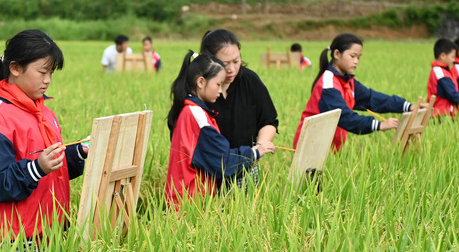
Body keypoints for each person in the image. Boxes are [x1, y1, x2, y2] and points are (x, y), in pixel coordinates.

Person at [0, 29, 89, 248]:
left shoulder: (44, 113)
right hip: (16, 241)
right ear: (15, 68)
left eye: (51, 73)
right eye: (42, 72)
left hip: (51, 231)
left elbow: (52, 169)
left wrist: (79, 153)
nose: (48, 80)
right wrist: (37, 168)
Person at [165, 51, 275, 209]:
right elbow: (223, 162)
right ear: (201, 82)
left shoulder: (192, 111)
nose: (220, 90)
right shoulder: (196, 116)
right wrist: (256, 152)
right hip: (187, 207)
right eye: (218, 84)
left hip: (189, 202)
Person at [294, 33, 412, 153]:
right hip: (310, 145)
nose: (356, 61)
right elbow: (343, 116)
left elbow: (372, 98)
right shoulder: (328, 84)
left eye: (359, 57)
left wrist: (408, 106)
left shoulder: (348, 82)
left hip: (330, 147)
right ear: (336, 54)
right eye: (352, 56)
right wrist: (378, 125)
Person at [198, 29, 278, 187]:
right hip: (208, 174)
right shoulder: (200, 88)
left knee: (245, 210)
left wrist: (258, 150)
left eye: (236, 61)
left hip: (246, 169)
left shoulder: (250, 81)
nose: (231, 69)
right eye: (224, 64)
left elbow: (268, 121)